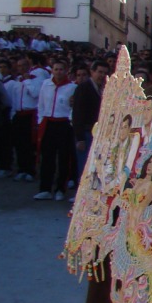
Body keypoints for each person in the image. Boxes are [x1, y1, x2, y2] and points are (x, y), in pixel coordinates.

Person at [34, 59, 77, 201]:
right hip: (48, 122)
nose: (58, 72)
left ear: (66, 71)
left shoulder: (72, 87)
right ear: (52, 70)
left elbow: (73, 107)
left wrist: (70, 121)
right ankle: (45, 188)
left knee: (64, 158)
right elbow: (41, 103)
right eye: (56, 69)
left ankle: (60, 189)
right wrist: (40, 119)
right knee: (47, 157)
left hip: (64, 124)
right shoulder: (46, 84)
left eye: (61, 69)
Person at [72, 59, 109, 185]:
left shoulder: (105, 89)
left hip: (100, 134)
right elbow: (77, 114)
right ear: (92, 72)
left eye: (105, 73)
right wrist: (80, 138)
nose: (102, 75)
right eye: (99, 72)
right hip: (86, 133)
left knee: (96, 166)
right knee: (84, 166)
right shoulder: (83, 88)